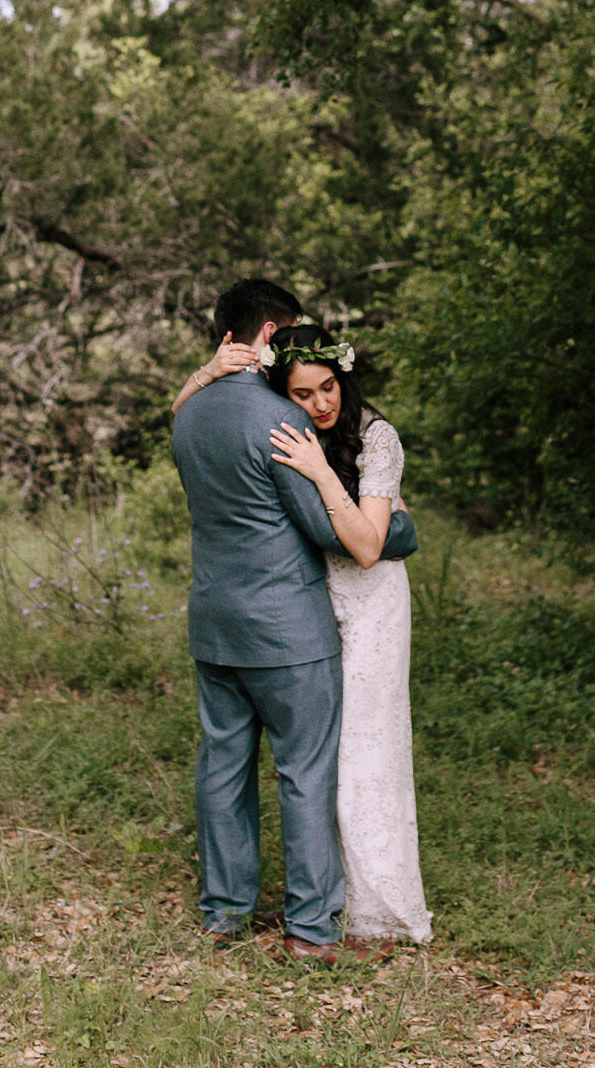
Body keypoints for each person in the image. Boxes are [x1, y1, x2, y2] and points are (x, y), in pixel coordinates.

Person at [170, 279, 419, 964]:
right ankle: (310, 927)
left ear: (228, 336)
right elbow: (328, 531)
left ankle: (224, 913)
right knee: (305, 772)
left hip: (214, 621)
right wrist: (398, 534)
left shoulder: (188, 414)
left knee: (222, 767)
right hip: (286, 632)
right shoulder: (280, 420)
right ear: (275, 336)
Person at [262, 325, 433, 946]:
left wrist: (319, 471)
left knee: (369, 748)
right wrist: (203, 375)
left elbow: (366, 547)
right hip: (319, 605)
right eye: (303, 395)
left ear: (344, 377)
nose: (321, 404)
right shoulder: (291, 432)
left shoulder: (375, 437)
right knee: (326, 752)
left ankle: (381, 908)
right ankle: (330, 894)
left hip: (374, 604)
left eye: (328, 387)